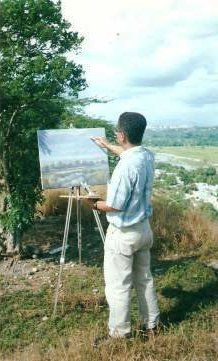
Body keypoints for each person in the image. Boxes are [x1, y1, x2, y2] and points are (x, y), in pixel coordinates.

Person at [89, 112, 159, 341]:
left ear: (122, 135)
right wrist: (107, 145)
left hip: (123, 234)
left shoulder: (124, 168)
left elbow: (114, 205)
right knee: (144, 279)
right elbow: (128, 155)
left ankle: (120, 335)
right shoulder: (146, 156)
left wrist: (94, 204)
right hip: (143, 230)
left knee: (118, 285)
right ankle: (152, 325)